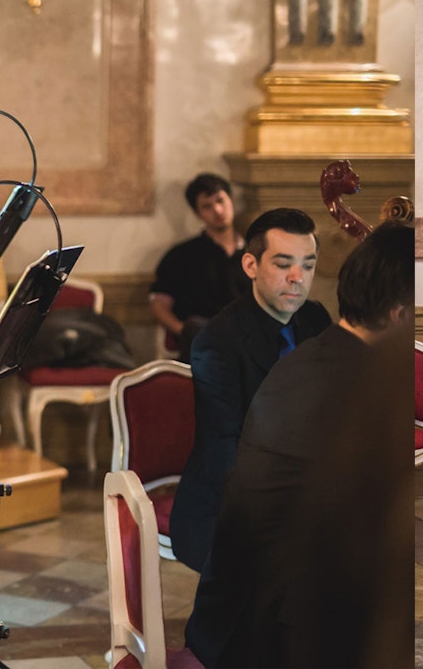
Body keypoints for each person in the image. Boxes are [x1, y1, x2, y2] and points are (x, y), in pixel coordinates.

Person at [184, 222, 414, 668]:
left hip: (249, 605)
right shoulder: (361, 384)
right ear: (401, 316)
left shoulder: (316, 351)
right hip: (271, 633)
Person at [169, 208, 331, 572]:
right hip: (229, 504)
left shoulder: (316, 319)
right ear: (251, 266)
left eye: (308, 265)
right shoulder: (216, 340)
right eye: (283, 263)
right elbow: (224, 449)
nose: (297, 278)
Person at [149, 173, 249, 363]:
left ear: (231, 201)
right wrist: (182, 329)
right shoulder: (181, 256)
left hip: (245, 334)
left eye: (220, 200)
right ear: (197, 213)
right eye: (207, 206)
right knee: (196, 327)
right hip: (202, 334)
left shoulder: (254, 254)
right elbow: (159, 304)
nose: (218, 210)